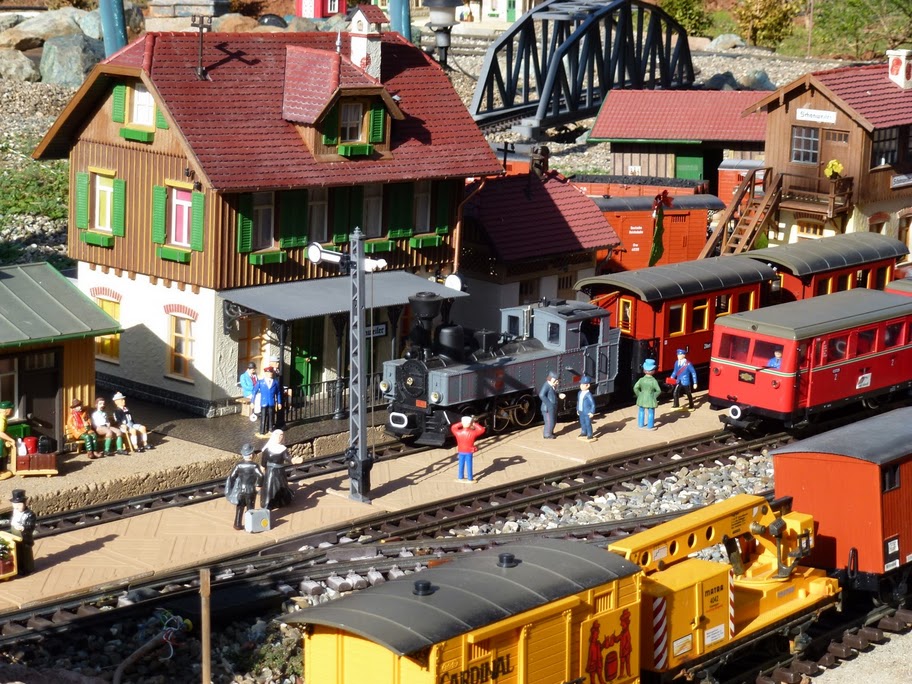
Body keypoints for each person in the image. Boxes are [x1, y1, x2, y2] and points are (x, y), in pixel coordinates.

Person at [225, 443, 263, 530]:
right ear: (251, 455)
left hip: (240, 491)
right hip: (250, 491)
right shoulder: (254, 466)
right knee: (250, 509)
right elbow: (261, 476)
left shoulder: (239, 465)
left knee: (239, 508)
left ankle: (237, 524)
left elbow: (232, 476)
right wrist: (258, 485)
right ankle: (249, 525)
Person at [260, 430, 294, 510]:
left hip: (280, 471)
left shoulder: (283, 449)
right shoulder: (267, 449)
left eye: (281, 435)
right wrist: (262, 470)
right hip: (270, 472)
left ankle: (281, 501)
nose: (279, 437)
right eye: (277, 435)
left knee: (280, 486)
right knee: (270, 487)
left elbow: (287, 457)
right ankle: (269, 503)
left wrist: (293, 460)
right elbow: (263, 462)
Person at [450, 415, 485, 483]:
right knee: (469, 465)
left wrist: (461, 423)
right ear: (469, 424)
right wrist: (474, 424)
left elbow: (453, 427)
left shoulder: (458, 432)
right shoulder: (473, 433)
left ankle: (460, 477)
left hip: (461, 451)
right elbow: (482, 430)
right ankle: (470, 479)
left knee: (461, 465)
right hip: (469, 451)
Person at [9, 489, 36, 576]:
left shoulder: (30, 514)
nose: (16, 507)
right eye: (14, 505)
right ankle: (19, 567)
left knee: (26, 553)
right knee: (17, 552)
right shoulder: (15, 512)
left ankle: (28, 568)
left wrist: (24, 527)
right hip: (15, 534)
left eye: (19, 505)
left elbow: (31, 525)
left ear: (25, 503)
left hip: (24, 536)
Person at [253, 366, 283, 438]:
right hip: (264, 402)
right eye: (268, 372)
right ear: (265, 373)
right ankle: (262, 431)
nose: (270, 374)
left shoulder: (275, 382)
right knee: (263, 417)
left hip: (271, 402)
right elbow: (254, 391)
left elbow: (278, 393)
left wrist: (279, 402)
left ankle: (270, 429)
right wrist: (252, 402)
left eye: (271, 372)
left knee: (271, 416)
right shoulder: (260, 382)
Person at [634, 359, 662, 431]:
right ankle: (650, 426)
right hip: (650, 398)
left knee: (641, 411)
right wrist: (654, 396)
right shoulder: (653, 381)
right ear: (653, 371)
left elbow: (635, 388)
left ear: (644, 370)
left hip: (642, 398)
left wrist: (639, 395)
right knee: (651, 412)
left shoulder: (641, 380)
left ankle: (640, 425)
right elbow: (658, 390)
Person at [538, 371, 565, 439]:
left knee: (553, 420)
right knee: (550, 421)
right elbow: (541, 395)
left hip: (551, 407)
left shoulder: (551, 386)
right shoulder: (547, 386)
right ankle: (547, 434)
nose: (557, 382)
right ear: (552, 379)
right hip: (547, 408)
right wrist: (549, 404)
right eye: (556, 381)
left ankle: (550, 432)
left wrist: (559, 395)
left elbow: (552, 394)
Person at [576, 375, 596, 441]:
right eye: (581, 384)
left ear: (587, 385)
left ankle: (590, 434)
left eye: (583, 384)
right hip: (581, 411)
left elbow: (592, 404)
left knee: (588, 423)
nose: (581, 386)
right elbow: (578, 401)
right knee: (582, 423)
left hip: (587, 412)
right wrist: (577, 409)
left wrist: (592, 412)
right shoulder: (579, 393)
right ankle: (583, 432)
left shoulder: (588, 394)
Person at [0, 400, 15, 479]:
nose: (12, 411)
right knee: (1, 455)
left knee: (3, 456)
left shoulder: (3, 418)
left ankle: (3, 470)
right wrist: (11, 440)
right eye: (11, 409)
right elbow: (0, 433)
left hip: (2, 442)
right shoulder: (1, 419)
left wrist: (9, 437)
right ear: (6, 410)